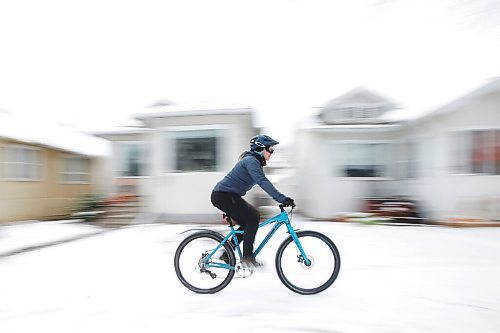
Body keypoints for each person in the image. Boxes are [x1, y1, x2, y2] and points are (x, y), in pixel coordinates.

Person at [211, 134, 295, 268]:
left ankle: (227, 253)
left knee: (250, 219)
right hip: (224, 196)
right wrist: (281, 198)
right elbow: (262, 181)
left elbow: (262, 182)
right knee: (252, 219)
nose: (272, 152)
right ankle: (247, 257)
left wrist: (279, 197)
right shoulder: (251, 161)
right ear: (260, 148)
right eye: (270, 149)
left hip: (229, 196)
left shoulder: (253, 162)